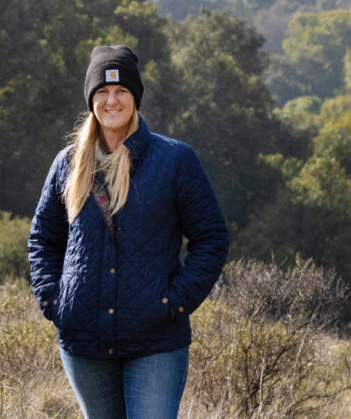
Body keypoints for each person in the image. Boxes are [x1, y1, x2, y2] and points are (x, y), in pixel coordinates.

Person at [27, 45, 230, 419]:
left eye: (121, 91)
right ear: (91, 99)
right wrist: (54, 301)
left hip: (155, 339)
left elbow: (212, 238)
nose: (112, 100)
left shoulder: (175, 160)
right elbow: (43, 239)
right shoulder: (67, 164)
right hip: (83, 338)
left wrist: (175, 302)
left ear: (135, 97)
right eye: (102, 91)